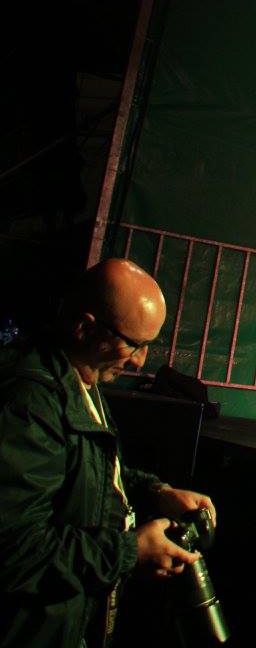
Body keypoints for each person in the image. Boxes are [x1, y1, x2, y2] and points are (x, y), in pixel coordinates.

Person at [0, 259, 217, 648]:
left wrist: (157, 493)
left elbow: (90, 472)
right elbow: (15, 551)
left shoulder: (81, 378)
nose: (140, 361)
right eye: (134, 344)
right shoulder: (29, 402)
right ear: (84, 328)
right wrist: (128, 551)